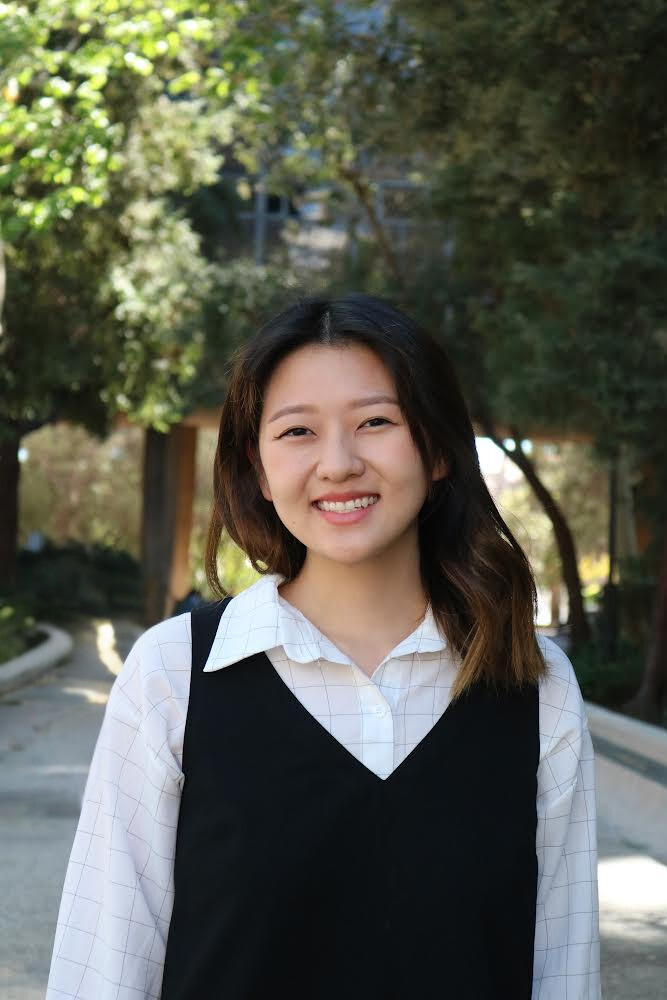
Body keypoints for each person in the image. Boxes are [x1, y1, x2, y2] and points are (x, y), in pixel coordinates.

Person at [46, 293, 600, 999]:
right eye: (297, 432)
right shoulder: (172, 676)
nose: (337, 464)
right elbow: (103, 969)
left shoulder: (534, 683)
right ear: (257, 467)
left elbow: (563, 969)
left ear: (434, 449)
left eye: (374, 422)